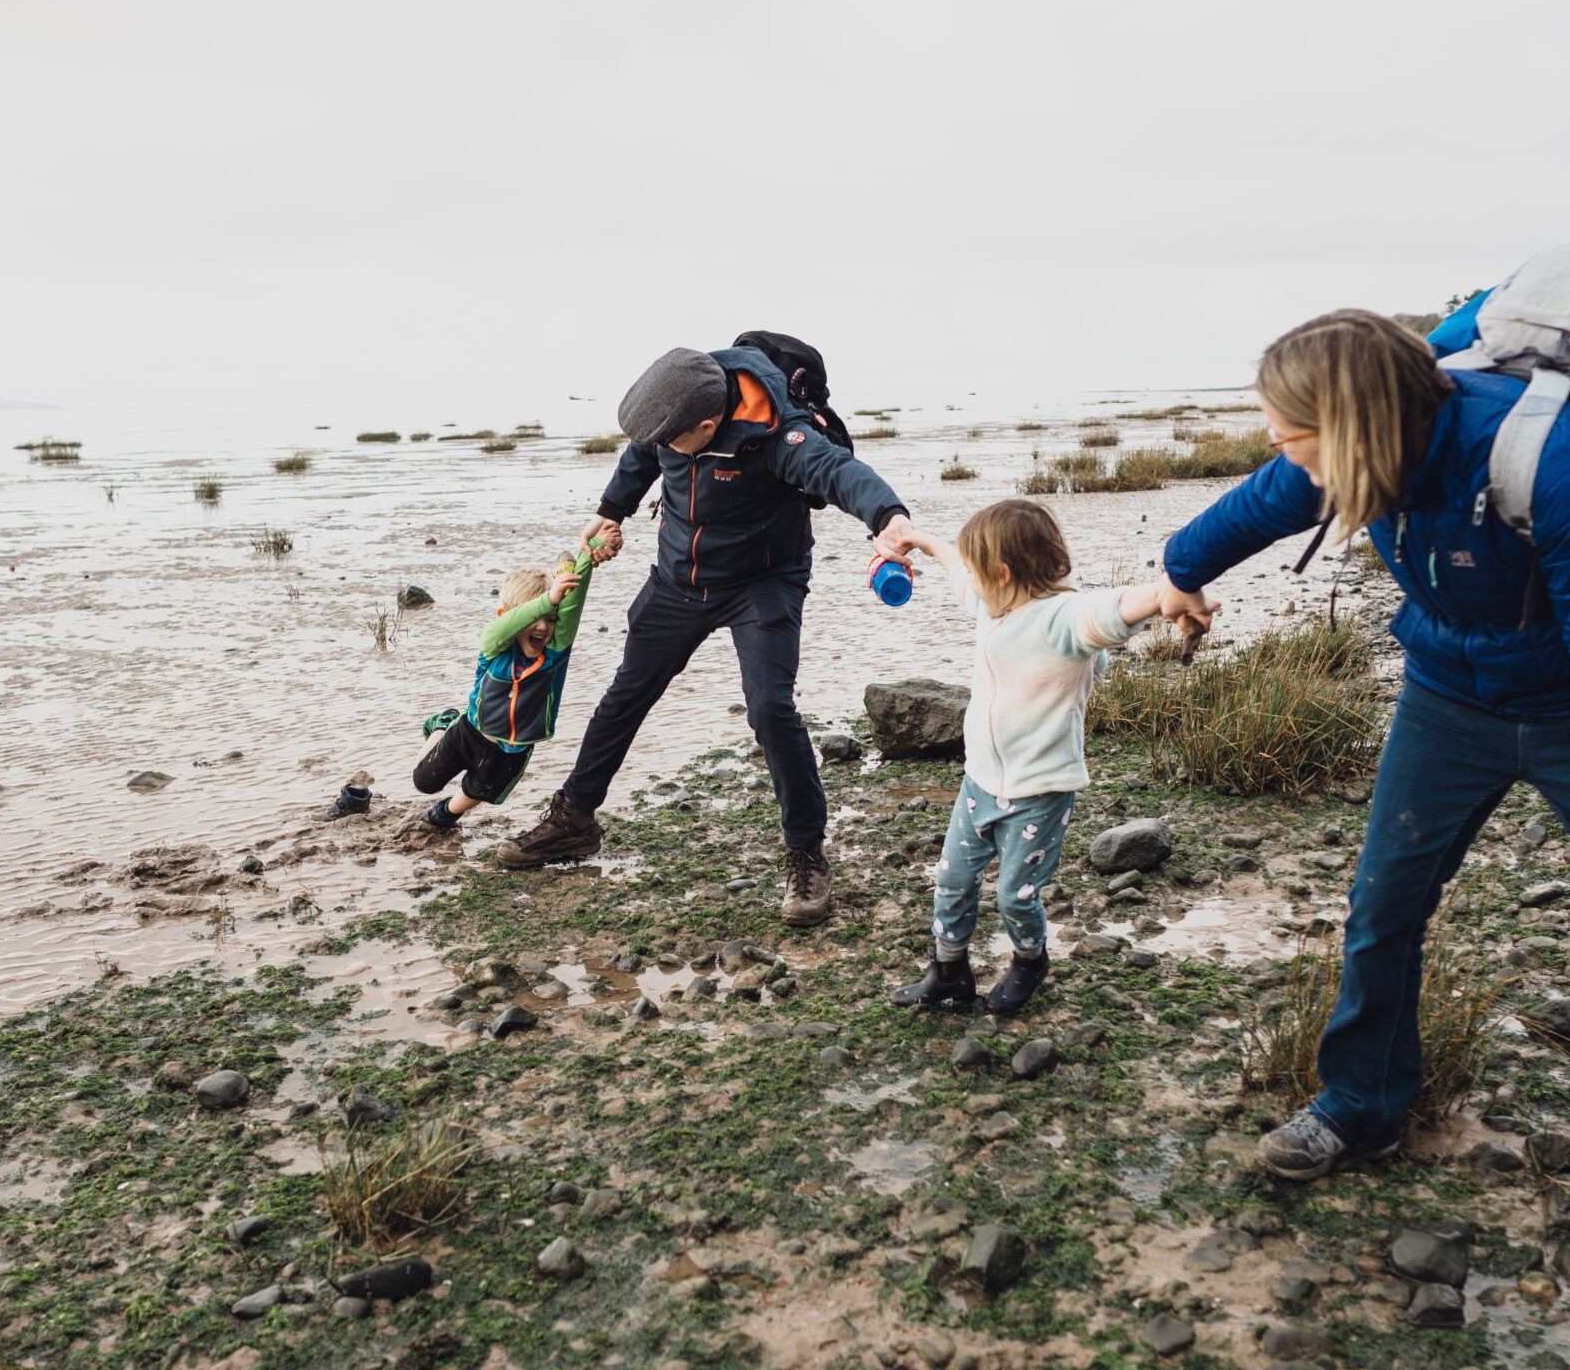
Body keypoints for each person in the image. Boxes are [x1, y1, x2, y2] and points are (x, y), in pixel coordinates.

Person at [1155, 308, 1570, 1269]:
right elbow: (1263, 500)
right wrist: (1182, 569)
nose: (1275, 446)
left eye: (1288, 431)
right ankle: (1361, 1102)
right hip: (1448, 697)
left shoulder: (1546, 459)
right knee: (1383, 905)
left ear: (1349, 423)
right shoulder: (1354, 456)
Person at [494, 344, 915, 927]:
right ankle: (574, 820)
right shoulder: (677, 417)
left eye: (674, 439)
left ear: (709, 424)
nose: (662, 448)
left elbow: (837, 472)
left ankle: (806, 851)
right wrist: (613, 508)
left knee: (770, 708)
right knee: (626, 695)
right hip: (678, 580)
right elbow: (644, 450)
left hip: (763, 583)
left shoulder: (776, 437)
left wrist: (888, 517)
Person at [890, 499, 1162, 1012]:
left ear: (1004, 573)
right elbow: (954, 568)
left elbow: (1115, 608)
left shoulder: (1062, 620)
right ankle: (949, 970)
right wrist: (920, 539)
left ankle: (1030, 960)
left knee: (1014, 893)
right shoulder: (994, 605)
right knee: (951, 879)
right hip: (980, 784)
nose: (969, 579)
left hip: (1039, 794)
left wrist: (1169, 593)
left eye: (978, 570)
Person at [415, 535, 610, 827]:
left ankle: (447, 814)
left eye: (551, 618)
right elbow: (497, 630)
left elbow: (572, 609)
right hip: (470, 731)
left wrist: (589, 553)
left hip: (513, 750)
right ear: (510, 618)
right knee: (423, 783)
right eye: (535, 616)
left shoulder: (554, 654)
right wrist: (549, 599)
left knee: (480, 790)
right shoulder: (493, 650)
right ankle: (444, 723)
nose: (543, 626)